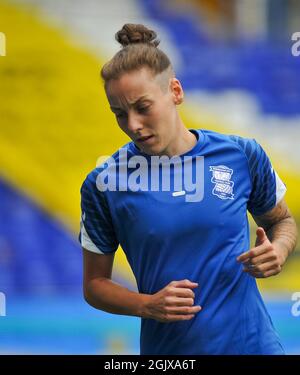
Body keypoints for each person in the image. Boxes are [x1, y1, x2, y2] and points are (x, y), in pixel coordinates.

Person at [79, 23, 298, 355]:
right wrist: (146, 305)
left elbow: (282, 222)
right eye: (119, 114)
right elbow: (95, 285)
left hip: (255, 347)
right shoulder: (103, 183)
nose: (133, 125)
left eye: (143, 107)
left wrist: (278, 251)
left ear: (175, 91)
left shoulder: (240, 154)